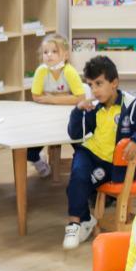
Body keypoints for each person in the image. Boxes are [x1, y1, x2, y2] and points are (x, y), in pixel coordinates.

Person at [63, 55, 136, 250]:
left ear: (114, 83)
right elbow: (75, 133)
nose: (95, 90)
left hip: (110, 165)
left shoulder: (130, 104)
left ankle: (86, 219)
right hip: (88, 153)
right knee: (78, 179)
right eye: (91, 85)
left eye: (99, 83)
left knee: (77, 186)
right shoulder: (93, 107)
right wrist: (78, 111)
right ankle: (74, 223)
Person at [29, 33, 84, 177]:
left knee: (82, 147)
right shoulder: (41, 71)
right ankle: (38, 161)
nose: (49, 55)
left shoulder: (69, 71)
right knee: (29, 151)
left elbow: (80, 98)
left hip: (69, 118)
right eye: (45, 52)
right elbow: (36, 96)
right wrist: (66, 97)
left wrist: (52, 99)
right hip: (46, 117)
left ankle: (81, 167)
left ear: (65, 55)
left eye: (54, 51)